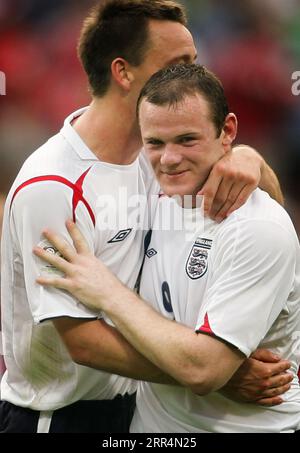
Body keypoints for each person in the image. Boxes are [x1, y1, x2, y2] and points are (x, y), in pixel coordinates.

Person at [0, 0, 290, 433]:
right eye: (178, 63)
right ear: (123, 72)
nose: (192, 75)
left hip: (135, 409)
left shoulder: (155, 154)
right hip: (61, 416)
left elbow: (269, 221)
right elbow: (81, 341)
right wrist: (212, 375)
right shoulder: (53, 186)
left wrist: (250, 159)